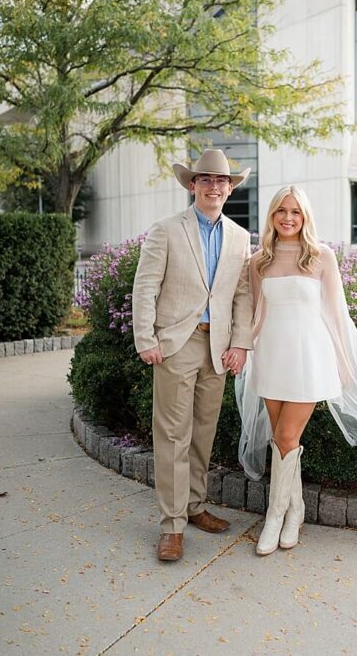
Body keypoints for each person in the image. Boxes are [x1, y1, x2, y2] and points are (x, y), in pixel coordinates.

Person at [235, 185, 357, 556]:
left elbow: (336, 315)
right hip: (271, 355)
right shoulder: (259, 259)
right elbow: (255, 313)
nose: (288, 218)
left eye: (295, 211)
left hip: (309, 357)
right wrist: (245, 349)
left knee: (288, 435)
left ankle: (274, 518)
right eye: (281, 211)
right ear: (272, 216)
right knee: (280, 439)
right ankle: (295, 510)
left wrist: (343, 360)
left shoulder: (321, 256)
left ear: (305, 216)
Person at [131, 148, 253, 562]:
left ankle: (195, 506)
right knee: (171, 435)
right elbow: (145, 287)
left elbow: (241, 294)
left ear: (230, 189)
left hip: (217, 347)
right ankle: (171, 526)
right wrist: (145, 338)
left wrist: (240, 343)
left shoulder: (240, 237)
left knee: (203, 433)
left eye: (221, 181)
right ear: (193, 185)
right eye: (205, 179)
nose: (214, 186)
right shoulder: (166, 230)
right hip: (176, 344)